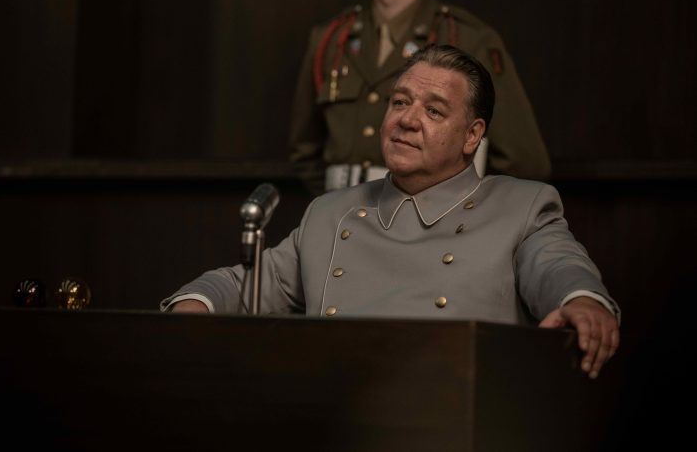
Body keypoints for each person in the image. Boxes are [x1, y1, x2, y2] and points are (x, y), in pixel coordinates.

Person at [162, 44, 620, 379]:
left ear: (472, 136)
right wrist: (195, 304)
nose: (407, 119)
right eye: (400, 102)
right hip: (332, 415)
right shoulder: (331, 213)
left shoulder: (520, 206)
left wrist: (582, 301)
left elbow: (558, 265)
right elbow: (250, 284)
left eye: (434, 111)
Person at [289, 0, 552, 196]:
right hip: (341, 216)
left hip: (432, 223)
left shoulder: (466, 38)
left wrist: (464, 216)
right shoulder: (332, 39)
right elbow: (305, 151)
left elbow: (523, 162)